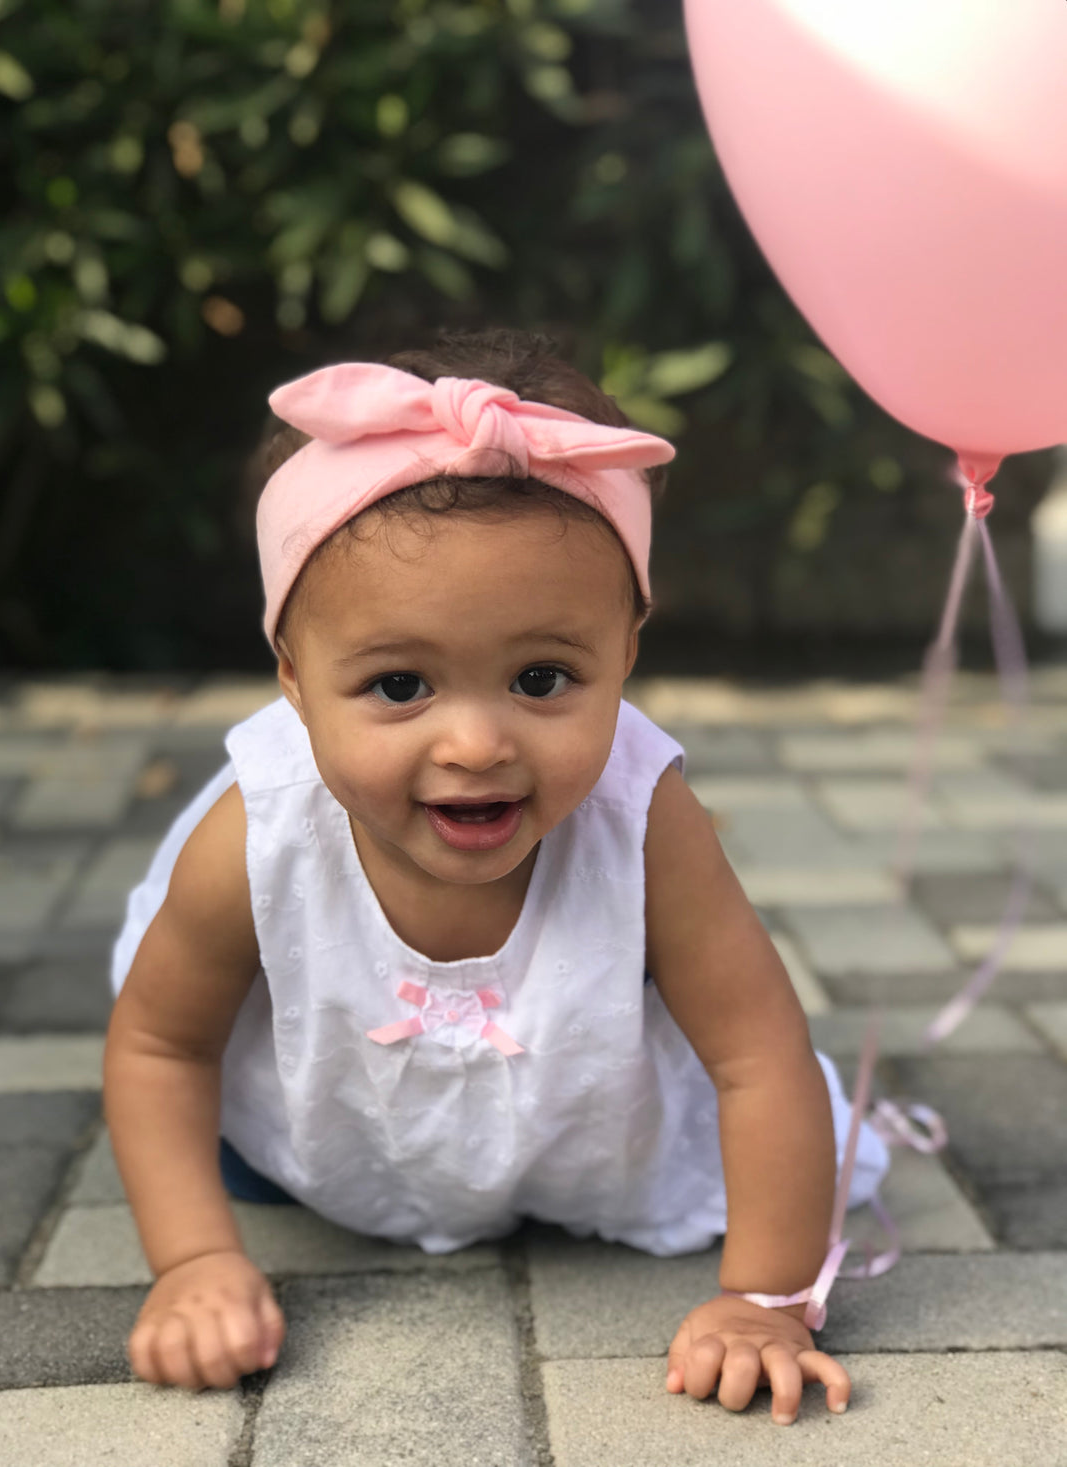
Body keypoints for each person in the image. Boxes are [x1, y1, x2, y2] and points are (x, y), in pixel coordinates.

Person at [104, 327, 888, 1423]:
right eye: (396, 687)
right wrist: (189, 1258)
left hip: (580, 1128)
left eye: (539, 677)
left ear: (625, 652)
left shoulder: (640, 816)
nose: (475, 743)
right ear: (292, 679)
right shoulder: (258, 834)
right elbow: (160, 1043)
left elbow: (755, 1055)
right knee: (216, 1146)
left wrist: (764, 1298)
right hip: (321, 1140)